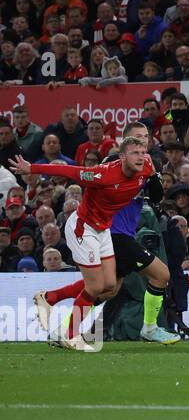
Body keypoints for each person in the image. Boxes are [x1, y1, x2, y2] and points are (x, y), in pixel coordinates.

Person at [11, 136, 157, 350]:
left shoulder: (147, 168)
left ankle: (50, 297)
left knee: (109, 284)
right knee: (95, 286)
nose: (141, 156)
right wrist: (31, 167)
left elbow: (155, 187)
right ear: (123, 157)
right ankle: (70, 335)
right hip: (83, 227)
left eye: (143, 151)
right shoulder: (103, 174)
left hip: (103, 228)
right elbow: (69, 171)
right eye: (135, 152)